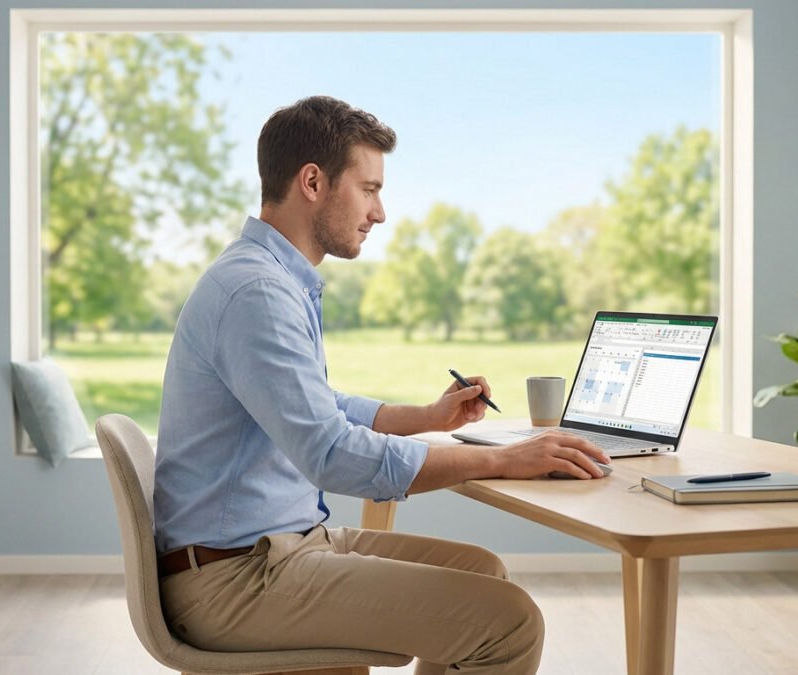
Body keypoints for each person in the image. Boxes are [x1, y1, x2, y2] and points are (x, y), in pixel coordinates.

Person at [153, 95, 609, 674]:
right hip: (236, 579)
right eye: (369, 189)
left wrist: (426, 415)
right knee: (510, 621)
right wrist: (503, 460)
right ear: (313, 182)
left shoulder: (270, 279)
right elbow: (331, 455)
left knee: (482, 573)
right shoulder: (257, 293)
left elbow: (317, 407)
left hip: (278, 547)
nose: (380, 212)